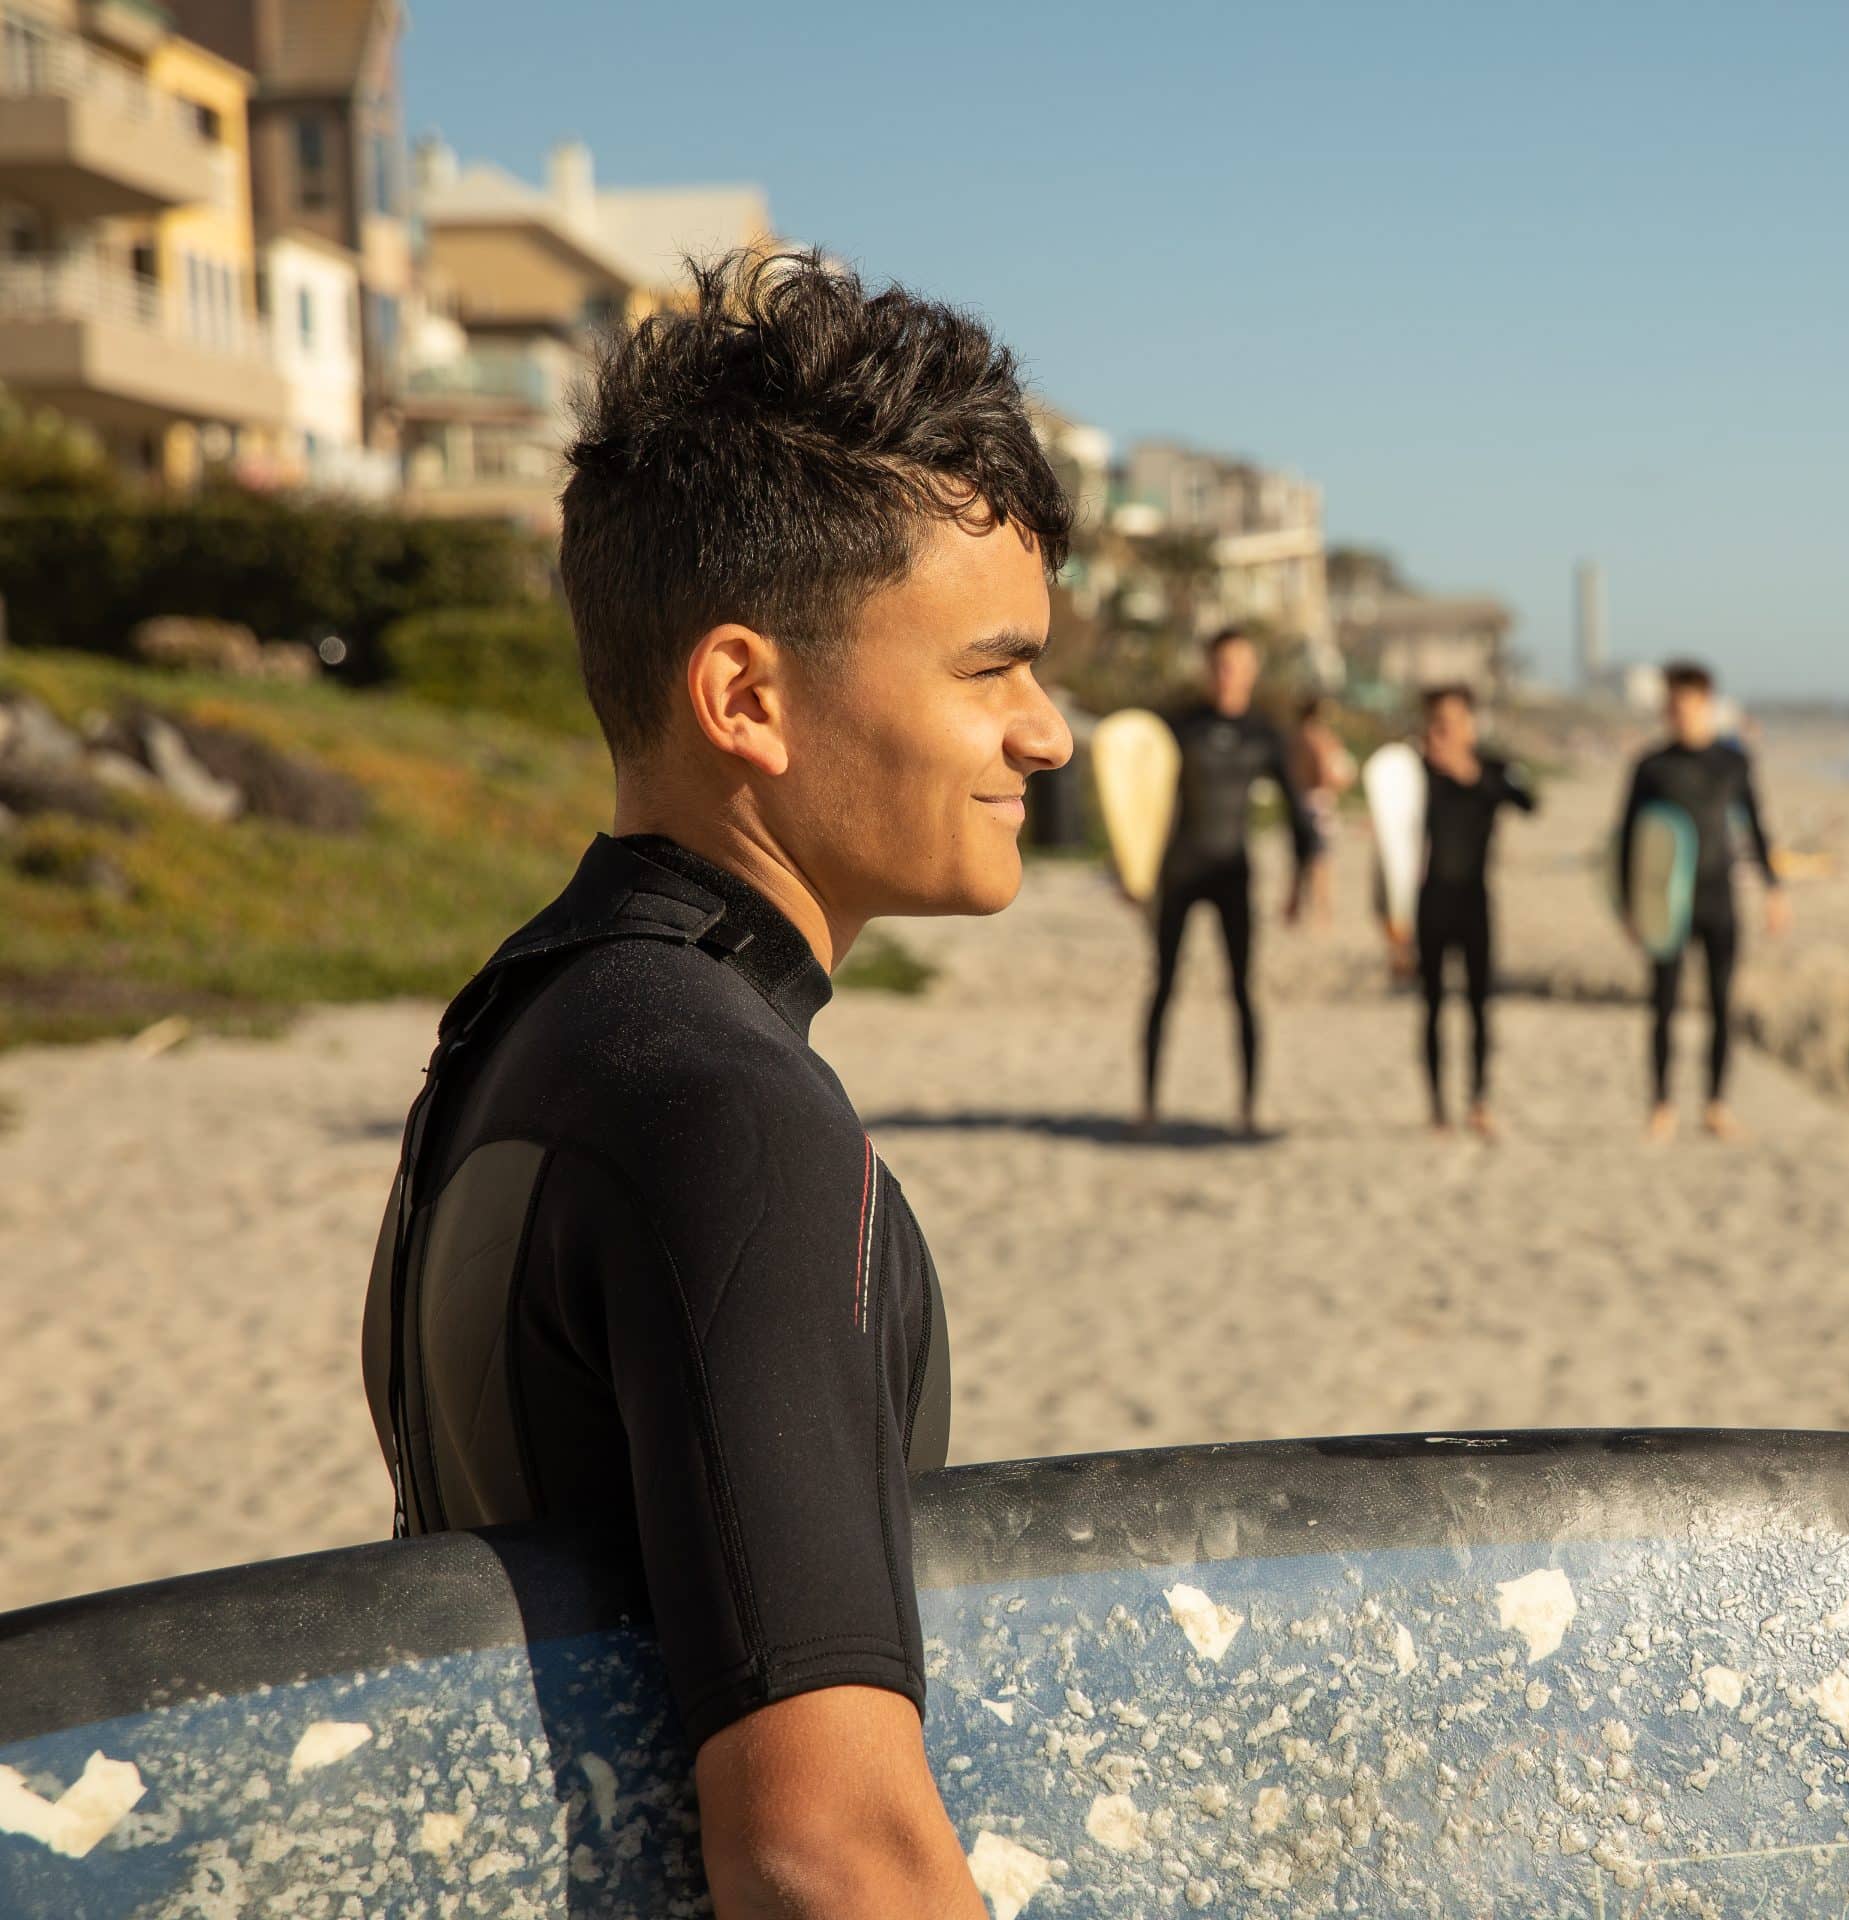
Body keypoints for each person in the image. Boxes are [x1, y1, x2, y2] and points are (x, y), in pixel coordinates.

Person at [358, 250, 1070, 1920]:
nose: (1045, 731)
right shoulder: (726, 1112)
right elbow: (827, 1845)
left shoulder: (523, 1029)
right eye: (992, 667)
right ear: (746, 695)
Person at [1140, 628, 1322, 1135]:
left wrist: (1298, 885)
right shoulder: (1180, 726)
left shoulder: (1265, 734)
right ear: (1208, 668)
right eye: (1220, 665)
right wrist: (1132, 869)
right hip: (1178, 871)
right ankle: (1148, 1106)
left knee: (1242, 989)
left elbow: (1297, 814)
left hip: (1232, 872)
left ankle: (1248, 1107)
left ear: (1253, 671)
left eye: (1238, 666)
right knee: (1163, 986)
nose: (1228, 676)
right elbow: (1139, 795)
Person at [1617, 660, 1789, 1141]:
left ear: (1707, 704)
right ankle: (1662, 1104)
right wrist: (1629, 906)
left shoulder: (1732, 763)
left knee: (1720, 1007)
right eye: (1673, 705)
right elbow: (1629, 837)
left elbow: (1756, 826)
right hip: (1664, 905)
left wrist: (1774, 889)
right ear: (1665, 709)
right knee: (1664, 1006)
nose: (1682, 714)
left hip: (1720, 899)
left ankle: (1716, 1105)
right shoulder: (1650, 767)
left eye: (1690, 704)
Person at [1403, 683, 1536, 1138]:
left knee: (1480, 1006)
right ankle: (1437, 1106)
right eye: (1437, 722)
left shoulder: (1491, 769)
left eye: (1455, 721)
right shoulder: (1413, 773)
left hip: (1475, 901)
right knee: (1432, 1006)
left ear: (1471, 725)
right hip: (1428, 901)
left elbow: (1528, 801)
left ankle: (1479, 1101)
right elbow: (1392, 836)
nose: (1445, 730)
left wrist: (1466, 771)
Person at [1287, 695, 1356, 922]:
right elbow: (1326, 773)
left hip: (1298, 799)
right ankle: (1322, 911)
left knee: (1299, 859)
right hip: (1319, 801)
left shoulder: (1295, 737)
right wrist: (1341, 782)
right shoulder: (1320, 738)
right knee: (1321, 860)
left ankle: (1293, 908)